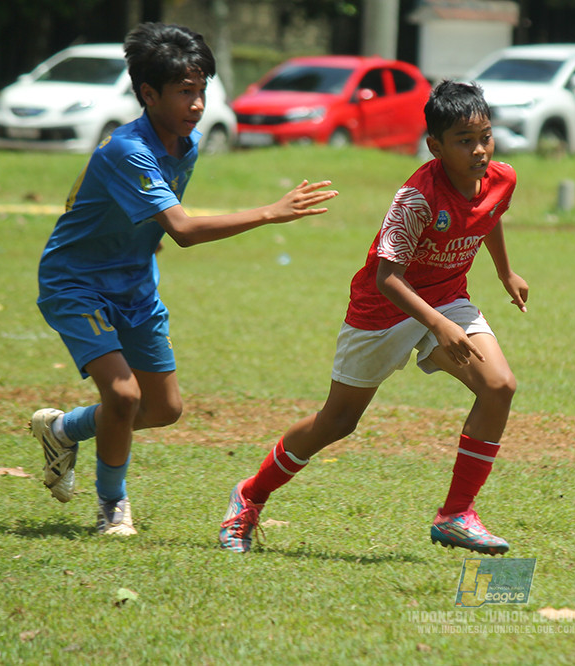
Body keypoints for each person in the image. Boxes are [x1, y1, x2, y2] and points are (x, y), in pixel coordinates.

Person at [30, 23, 337, 536]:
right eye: (183, 92)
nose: (197, 105)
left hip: (133, 284)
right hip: (75, 282)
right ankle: (112, 508)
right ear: (148, 94)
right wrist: (269, 213)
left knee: (164, 408)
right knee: (124, 398)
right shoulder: (128, 150)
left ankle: (63, 429)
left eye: (202, 91)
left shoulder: (186, 145)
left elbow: (156, 227)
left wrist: (142, 259)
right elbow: (184, 231)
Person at [218, 80, 528, 556]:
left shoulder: (502, 177)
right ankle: (250, 495)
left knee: (499, 386)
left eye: (485, 136)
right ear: (435, 147)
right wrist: (439, 326)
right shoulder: (416, 199)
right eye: (465, 141)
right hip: (381, 311)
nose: (480, 150)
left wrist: (506, 272)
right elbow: (388, 278)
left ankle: (456, 514)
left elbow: (489, 213)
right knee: (338, 420)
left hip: (447, 298)